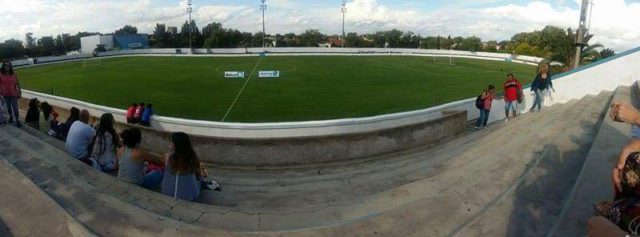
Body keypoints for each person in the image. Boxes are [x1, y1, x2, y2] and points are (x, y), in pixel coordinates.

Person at [161, 132, 202, 201]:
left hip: (166, 192)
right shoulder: (193, 159)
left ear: (174, 145)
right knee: (200, 181)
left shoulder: (167, 157)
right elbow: (198, 177)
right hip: (188, 197)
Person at [0, 60, 21, 127]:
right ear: (3, 66)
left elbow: (18, 84)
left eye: (8, 65)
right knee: (8, 108)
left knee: (15, 108)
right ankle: (11, 117)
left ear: (10, 66)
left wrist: (19, 92)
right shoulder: (0, 74)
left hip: (13, 94)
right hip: (4, 95)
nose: (7, 67)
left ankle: (17, 120)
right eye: (5, 65)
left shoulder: (14, 73)